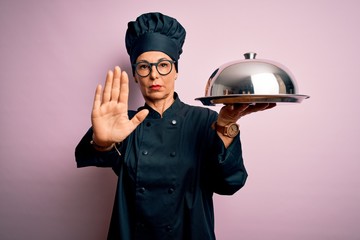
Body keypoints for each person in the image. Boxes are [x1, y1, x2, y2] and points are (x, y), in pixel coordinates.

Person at [75, 12, 275, 240]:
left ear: (176, 70)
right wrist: (102, 144)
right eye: (143, 67)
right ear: (134, 75)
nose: (153, 75)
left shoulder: (206, 121)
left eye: (163, 65)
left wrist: (226, 125)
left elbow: (229, 184)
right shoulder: (124, 123)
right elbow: (98, 154)